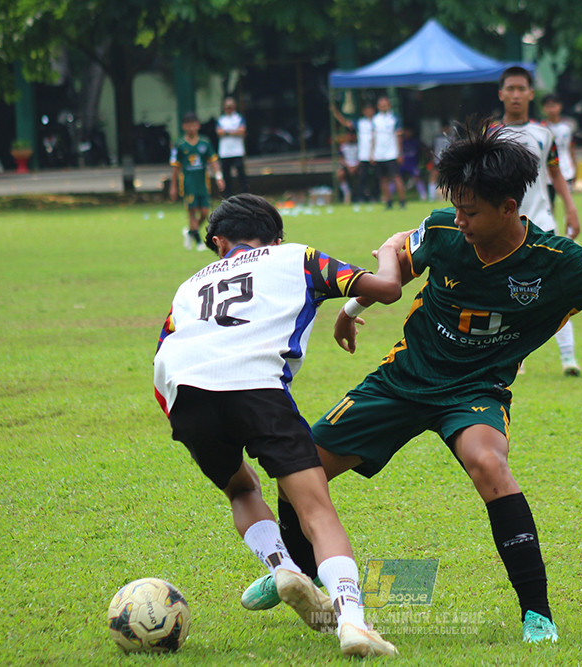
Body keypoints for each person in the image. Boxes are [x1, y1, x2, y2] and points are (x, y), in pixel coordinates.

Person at [238, 121, 582, 644]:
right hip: (403, 380)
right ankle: (300, 572)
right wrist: (355, 303)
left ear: (509, 208)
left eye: (470, 211)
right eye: (456, 206)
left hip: (475, 390)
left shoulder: (555, 261)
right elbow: (400, 255)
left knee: (489, 464)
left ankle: (537, 615)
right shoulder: (445, 230)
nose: (459, 219)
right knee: (301, 465)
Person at [153, 193, 409, 657]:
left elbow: (163, 351)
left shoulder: (188, 286)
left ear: (218, 242)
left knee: (241, 489)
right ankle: (352, 621)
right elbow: (386, 289)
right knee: (315, 511)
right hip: (257, 387)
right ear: (276, 238)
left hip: (185, 392)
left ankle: (280, 565)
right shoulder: (299, 257)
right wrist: (390, 250)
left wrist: (180, 410)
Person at [496, 66, 582, 375]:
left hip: (542, 225)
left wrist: (571, 208)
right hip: (504, 228)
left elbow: (556, 173)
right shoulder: (492, 135)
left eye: (522, 89)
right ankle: (513, 358)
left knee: (557, 289)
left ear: (531, 94)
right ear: (501, 93)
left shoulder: (544, 135)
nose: (516, 94)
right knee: (508, 292)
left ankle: (568, 357)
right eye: (511, 89)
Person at [170, 112, 224, 251]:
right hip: (188, 183)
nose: (192, 128)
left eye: (194, 125)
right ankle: (199, 242)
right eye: (189, 125)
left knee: (205, 212)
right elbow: (175, 167)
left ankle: (190, 232)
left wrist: (218, 176)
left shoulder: (205, 142)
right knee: (192, 211)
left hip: (202, 183)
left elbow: (213, 161)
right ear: (184, 127)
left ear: (198, 126)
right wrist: (173, 186)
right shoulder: (180, 144)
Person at [332, 100, 378, 203]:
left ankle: (375, 196)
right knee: (362, 178)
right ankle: (359, 197)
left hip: (378, 154)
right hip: (364, 155)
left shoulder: (378, 121)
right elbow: (345, 123)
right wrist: (335, 112)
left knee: (377, 177)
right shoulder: (361, 122)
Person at [370, 95, 405, 210]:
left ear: (389, 106)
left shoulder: (394, 118)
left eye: (385, 105)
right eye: (381, 105)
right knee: (383, 179)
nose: (383, 107)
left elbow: (399, 136)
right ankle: (388, 201)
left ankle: (402, 201)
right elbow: (373, 137)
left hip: (392, 154)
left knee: (396, 177)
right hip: (379, 154)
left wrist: (400, 153)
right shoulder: (375, 119)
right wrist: (372, 153)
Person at [541, 93, 578, 203]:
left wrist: (574, 168)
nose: (552, 110)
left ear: (560, 106)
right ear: (544, 108)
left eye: (554, 105)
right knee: (549, 203)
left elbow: (571, 148)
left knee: (568, 201)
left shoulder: (567, 126)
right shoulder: (542, 128)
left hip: (566, 169)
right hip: (548, 171)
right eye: (548, 106)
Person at [216, 97, 249, 195]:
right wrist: (234, 131)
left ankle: (245, 194)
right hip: (225, 152)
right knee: (226, 176)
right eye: (227, 107)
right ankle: (227, 196)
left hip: (237, 151)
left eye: (231, 107)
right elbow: (219, 132)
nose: (229, 109)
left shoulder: (239, 118)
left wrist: (226, 131)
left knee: (241, 175)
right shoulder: (221, 119)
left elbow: (242, 131)